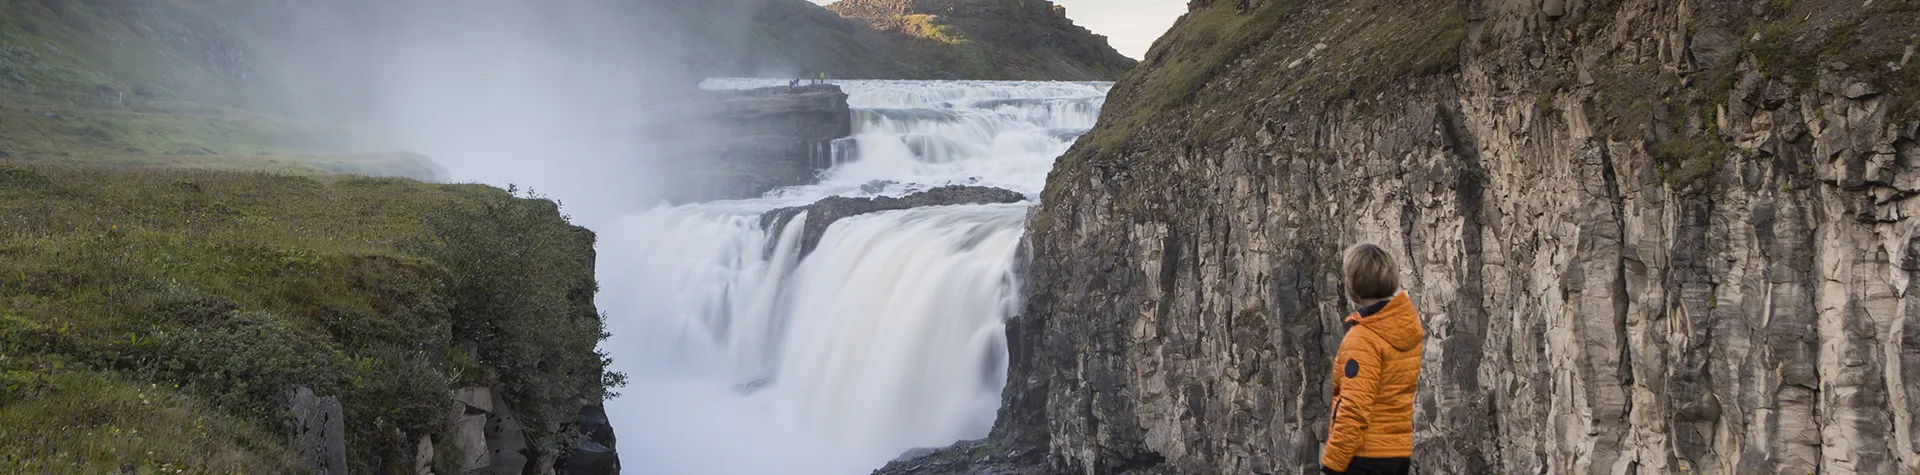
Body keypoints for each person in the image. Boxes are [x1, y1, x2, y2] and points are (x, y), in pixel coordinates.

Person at [1320, 243, 1423, 475]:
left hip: (1365, 455)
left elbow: (1354, 407)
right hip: (1397, 454)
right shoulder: (1403, 326)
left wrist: (1332, 465)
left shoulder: (1363, 338)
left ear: (1352, 286)